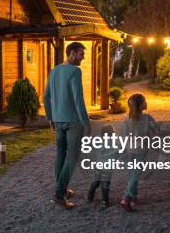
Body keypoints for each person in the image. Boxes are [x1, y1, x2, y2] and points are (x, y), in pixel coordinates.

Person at [43, 41, 91, 209]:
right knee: (73, 156)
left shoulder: (54, 71)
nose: (82, 58)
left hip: (58, 120)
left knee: (60, 155)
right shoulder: (75, 71)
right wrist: (85, 121)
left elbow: (45, 97)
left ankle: (61, 189)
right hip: (73, 121)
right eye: (81, 54)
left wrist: (50, 117)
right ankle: (58, 193)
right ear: (72, 53)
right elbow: (78, 99)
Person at [119, 93, 159, 212]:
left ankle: (134, 196)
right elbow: (156, 131)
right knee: (136, 174)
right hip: (142, 150)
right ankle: (126, 198)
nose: (146, 103)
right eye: (144, 101)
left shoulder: (127, 119)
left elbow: (123, 135)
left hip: (130, 149)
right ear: (140, 105)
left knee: (132, 172)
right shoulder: (148, 118)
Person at [87, 125, 116, 208]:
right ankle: (105, 201)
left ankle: (90, 195)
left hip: (98, 166)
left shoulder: (99, 142)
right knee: (105, 185)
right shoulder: (114, 143)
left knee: (96, 182)